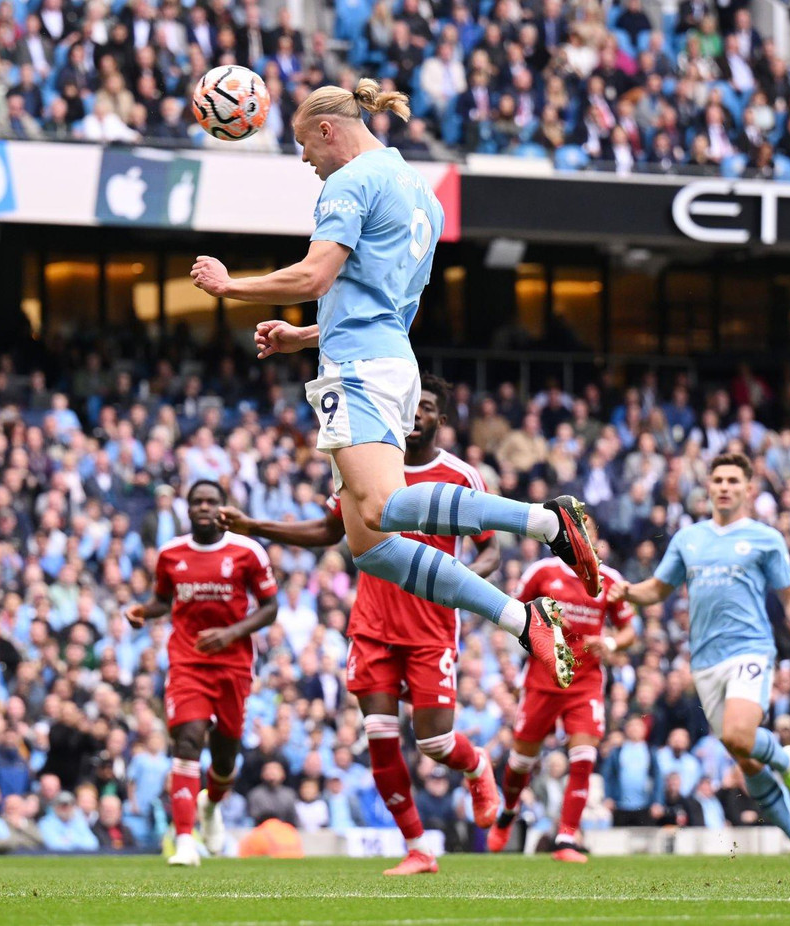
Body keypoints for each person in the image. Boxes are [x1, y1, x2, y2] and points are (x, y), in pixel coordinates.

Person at [189, 77, 599, 691]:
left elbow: (315, 275)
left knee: (381, 508)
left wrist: (231, 287)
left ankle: (545, 522)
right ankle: (520, 618)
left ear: (329, 131)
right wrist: (303, 338)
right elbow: (385, 304)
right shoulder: (422, 194)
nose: (306, 161)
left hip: (360, 369)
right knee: (372, 546)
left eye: (306, 147)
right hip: (383, 358)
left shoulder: (351, 182)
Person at [219, 374, 502, 876]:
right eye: (410, 407)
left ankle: (477, 766)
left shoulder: (462, 477)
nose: (416, 416)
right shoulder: (366, 468)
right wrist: (257, 527)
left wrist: (457, 581)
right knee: (378, 735)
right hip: (372, 623)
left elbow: (491, 553)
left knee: (435, 742)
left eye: (427, 407)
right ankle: (417, 848)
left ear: (441, 418)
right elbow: (329, 530)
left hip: (431, 627)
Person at [609, 452, 790, 868]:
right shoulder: (688, 539)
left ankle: (786, 759)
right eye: (718, 480)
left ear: (748, 488)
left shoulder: (765, 538)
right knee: (741, 753)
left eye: (733, 480)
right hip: (705, 660)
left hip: (751, 648)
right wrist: (627, 591)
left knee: (738, 733)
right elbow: (658, 589)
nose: (725, 486)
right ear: (708, 487)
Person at [125, 480, 279, 867]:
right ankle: (185, 842)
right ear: (188, 509)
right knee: (188, 740)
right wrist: (143, 611)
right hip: (187, 661)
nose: (204, 507)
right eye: (197, 502)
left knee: (225, 758)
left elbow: (270, 607)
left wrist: (231, 633)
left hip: (233, 665)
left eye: (212, 501)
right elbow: (163, 600)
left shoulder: (248, 551)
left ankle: (211, 806)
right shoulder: (170, 553)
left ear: (223, 508)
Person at [488, 513, 636, 862]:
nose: (582, 532)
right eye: (576, 526)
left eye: (588, 525)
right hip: (541, 680)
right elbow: (512, 611)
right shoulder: (541, 572)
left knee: (583, 759)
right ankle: (508, 811)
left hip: (585, 684)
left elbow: (630, 631)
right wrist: (543, 620)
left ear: (594, 533)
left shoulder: (609, 579)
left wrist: (611, 644)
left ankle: (566, 838)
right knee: (521, 761)